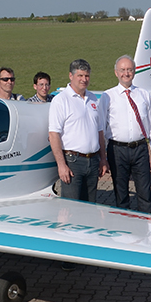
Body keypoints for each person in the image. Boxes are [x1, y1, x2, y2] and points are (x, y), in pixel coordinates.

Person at [101, 55, 151, 213]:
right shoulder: (107, 96)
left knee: (145, 194)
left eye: (129, 70)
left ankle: (147, 224)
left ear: (134, 72)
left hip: (140, 149)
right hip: (117, 150)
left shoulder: (143, 94)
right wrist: (103, 156)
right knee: (121, 195)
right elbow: (101, 127)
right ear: (116, 72)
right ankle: (124, 225)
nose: (126, 73)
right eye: (122, 70)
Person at [48, 59, 108, 202]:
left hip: (93, 161)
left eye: (87, 76)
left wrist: (103, 159)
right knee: (72, 206)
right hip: (73, 161)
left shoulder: (93, 99)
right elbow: (54, 134)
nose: (84, 79)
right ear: (71, 76)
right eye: (80, 75)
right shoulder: (61, 100)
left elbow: (99, 131)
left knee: (90, 204)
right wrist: (61, 165)